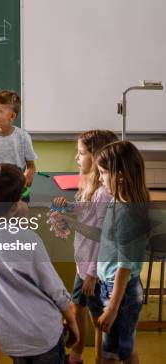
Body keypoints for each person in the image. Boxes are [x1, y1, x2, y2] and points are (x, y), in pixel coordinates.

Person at [0, 163, 79, 363]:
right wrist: (72, 320)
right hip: (43, 332)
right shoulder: (28, 238)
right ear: (15, 204)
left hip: (11, 336)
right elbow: (55, 289)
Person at [52, 130, 118, 364]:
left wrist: (91, 274)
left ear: (98, 156)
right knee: (77, 309)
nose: (77, 158)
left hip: (94, 270)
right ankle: (77, 356)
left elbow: (102, 238)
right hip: (84, 266)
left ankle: (102, 359)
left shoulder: (103, 194)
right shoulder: (88, 185)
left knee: (98, 318)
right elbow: (85, 217)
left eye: (81, 153)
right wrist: (68, 213)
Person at [94, 141, 149, 363]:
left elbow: (124, 267)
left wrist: (113, 308)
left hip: (119, 293)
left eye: (103, 173)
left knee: (114, 355)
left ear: (120, 175)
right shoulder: (119, 202)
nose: (100, 178)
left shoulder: (127, 213)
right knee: (124, 349)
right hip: (116, 289)